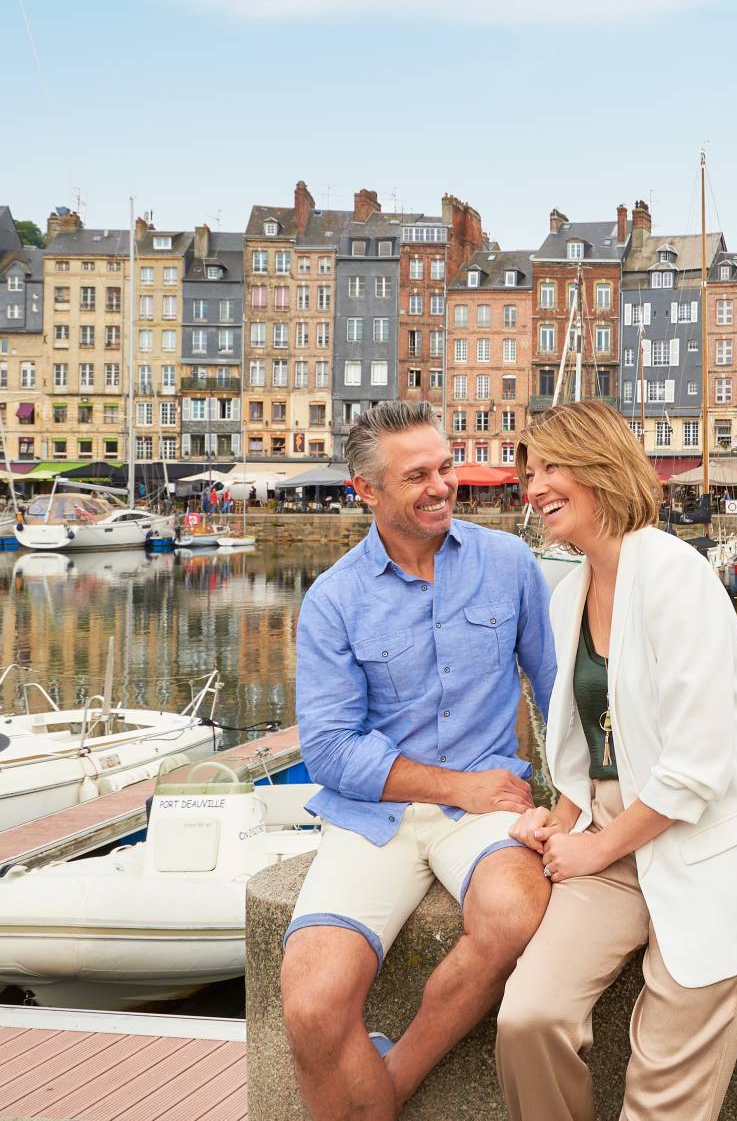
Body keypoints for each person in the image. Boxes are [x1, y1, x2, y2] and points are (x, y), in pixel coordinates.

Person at [498, 400, 737, 1121]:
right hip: (609, 839)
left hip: (701, 843)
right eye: (530, 472)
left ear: (603, 467)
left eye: (553, 467)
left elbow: (696, 767)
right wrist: (558, 820)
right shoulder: (568, 593)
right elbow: (582, 746)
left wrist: (594, 849)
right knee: (526, 1019)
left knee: (661, 1092)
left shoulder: (675, 575)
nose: (534, 488)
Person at [280, 400, 556, 1121]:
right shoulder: (334, 600)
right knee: (310, 1004)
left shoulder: (510, 564)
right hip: (376, 816)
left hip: (488, 813)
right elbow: (331, 750)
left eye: (446, 467)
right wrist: (458, 786)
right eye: (417, 476)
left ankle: (389, 1085)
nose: (442, 486)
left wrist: (583, 807)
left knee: (514, 918)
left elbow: (560, 696)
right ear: (365, 490)